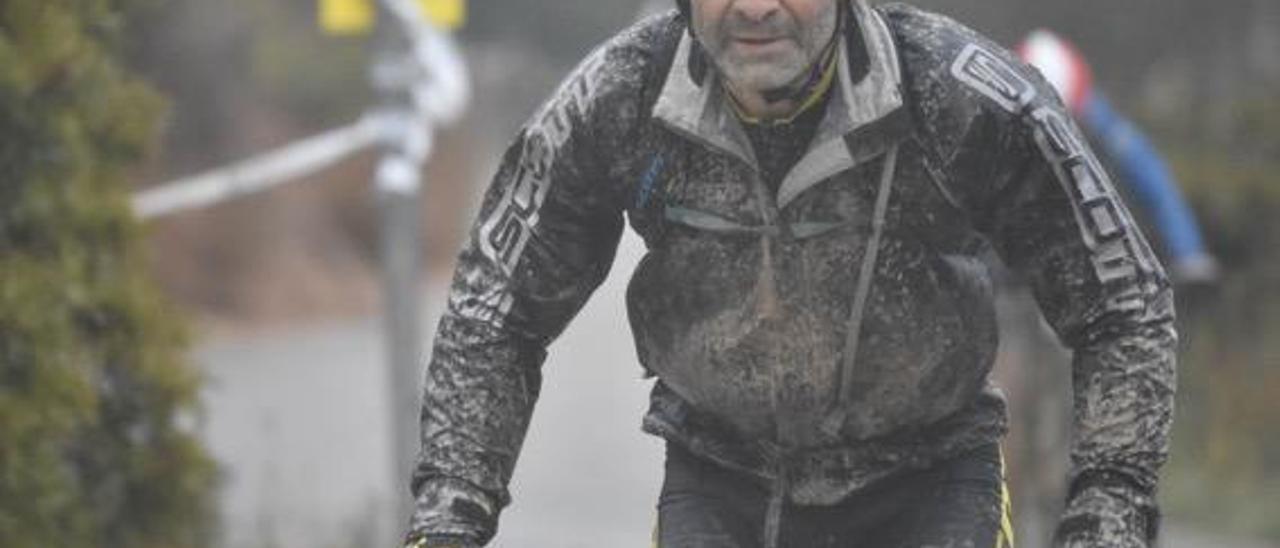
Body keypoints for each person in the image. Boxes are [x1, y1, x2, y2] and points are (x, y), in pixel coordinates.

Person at [402, 1, 1177, 547]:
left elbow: (1122, 300)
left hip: (932, 479)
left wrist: (1110, 508)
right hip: (719, 478)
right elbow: (495, 313)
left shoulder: (962, 95)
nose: (756, 7)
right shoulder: (616, 100)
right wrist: (448, 521)